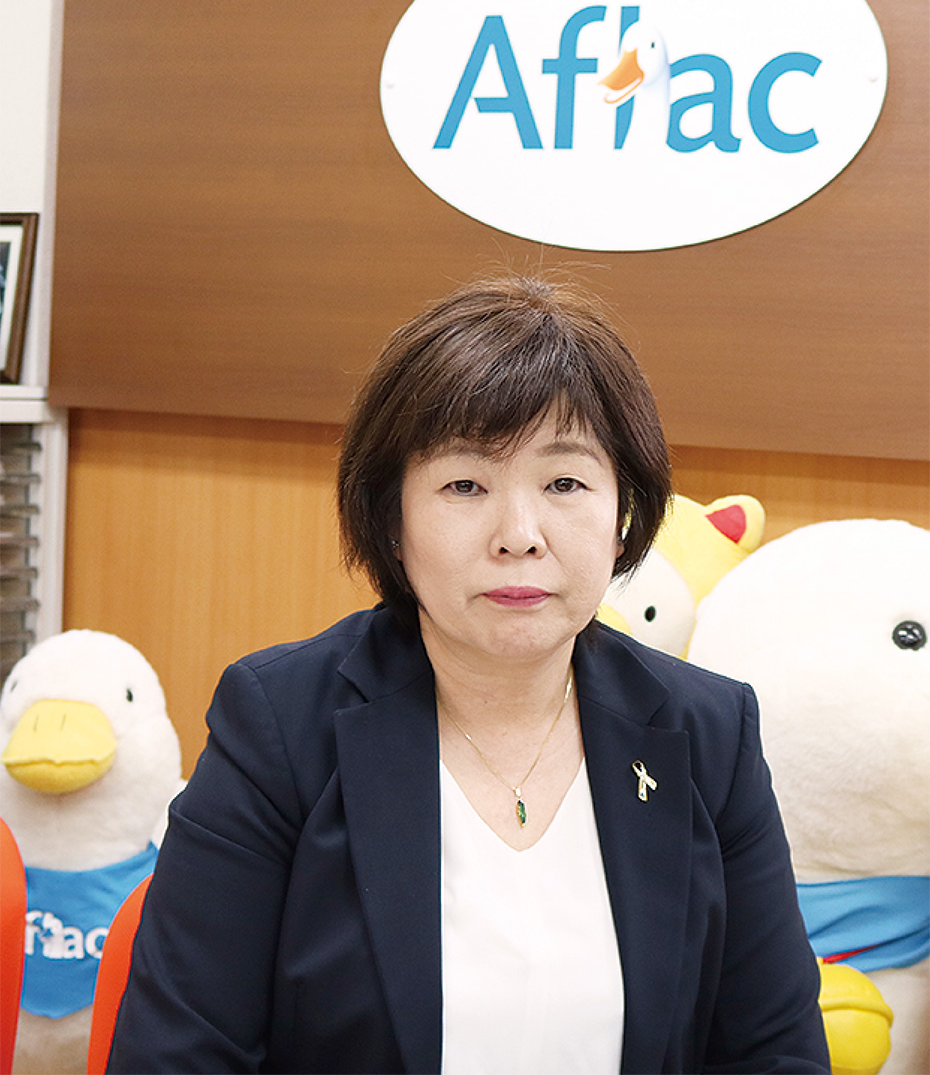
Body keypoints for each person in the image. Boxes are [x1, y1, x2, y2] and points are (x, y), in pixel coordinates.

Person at [108, 275, 830, 1074]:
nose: (519, 535)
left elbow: (775, 1053)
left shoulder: (708, 733)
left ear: (624, 515)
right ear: (392, 519)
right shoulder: (279, 726)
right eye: (464, 485)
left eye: (564, 483)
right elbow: (176, 1055)